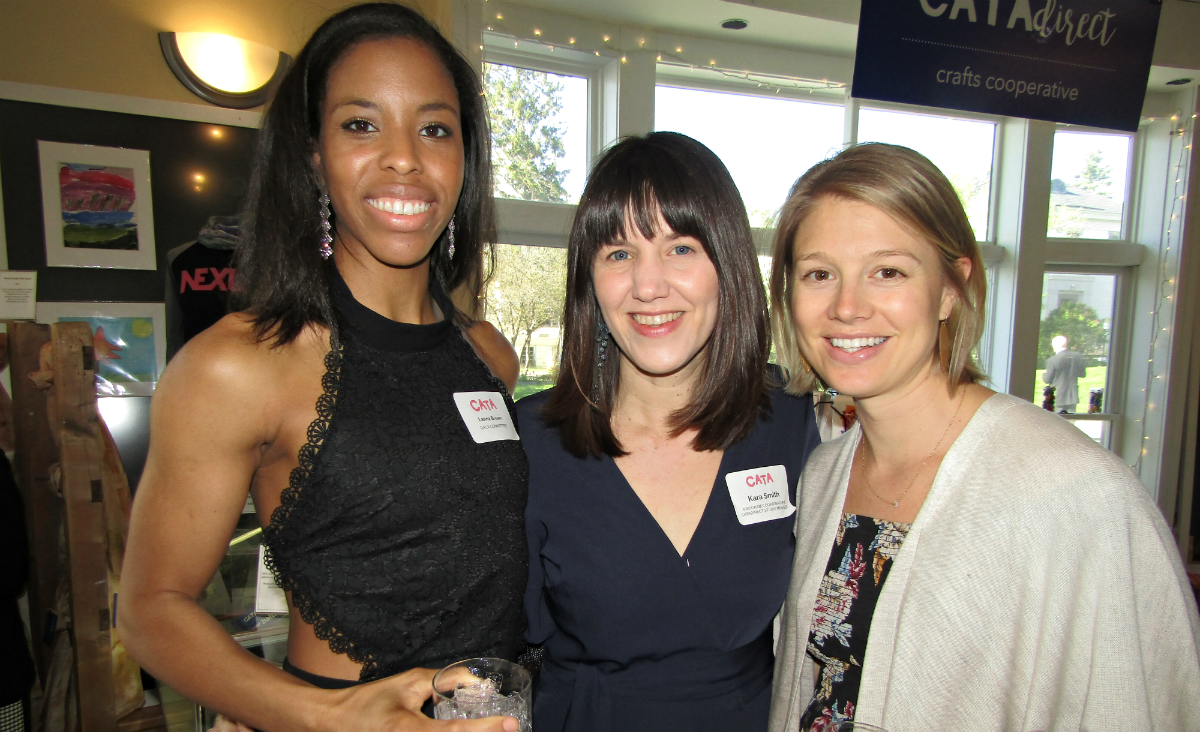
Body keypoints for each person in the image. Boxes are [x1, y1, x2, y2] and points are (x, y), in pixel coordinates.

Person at [119, 5, 528, 731]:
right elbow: (150, 611)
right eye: (361, 124)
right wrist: (327, 716)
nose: (404, 156)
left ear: (464, 158)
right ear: (312, 152)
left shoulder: (488, 353)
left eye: (435, 128)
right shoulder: (239, 365)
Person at [766, 143, 1200, 731]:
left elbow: (1139, 705)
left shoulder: (1078, 493)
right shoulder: (823, 474)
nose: (847, 306)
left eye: (887, 271)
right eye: (819, 274)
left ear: (950, 287)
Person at [519, 132, 822, 732]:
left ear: (727, 268)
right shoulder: (534, 443)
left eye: (680, 248)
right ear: (591, 282)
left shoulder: (788, 424)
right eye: (618, 254)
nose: (648, 286)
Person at [1043, 334, 1087, 413]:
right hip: (1072, 394)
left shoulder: (1052, 360)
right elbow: (1082, 374)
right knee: (1071, 420)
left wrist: (1044, 374)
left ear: (1054, 346)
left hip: (1058, 395)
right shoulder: (1077, 356)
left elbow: (1047, 379)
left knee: (1059, 421)